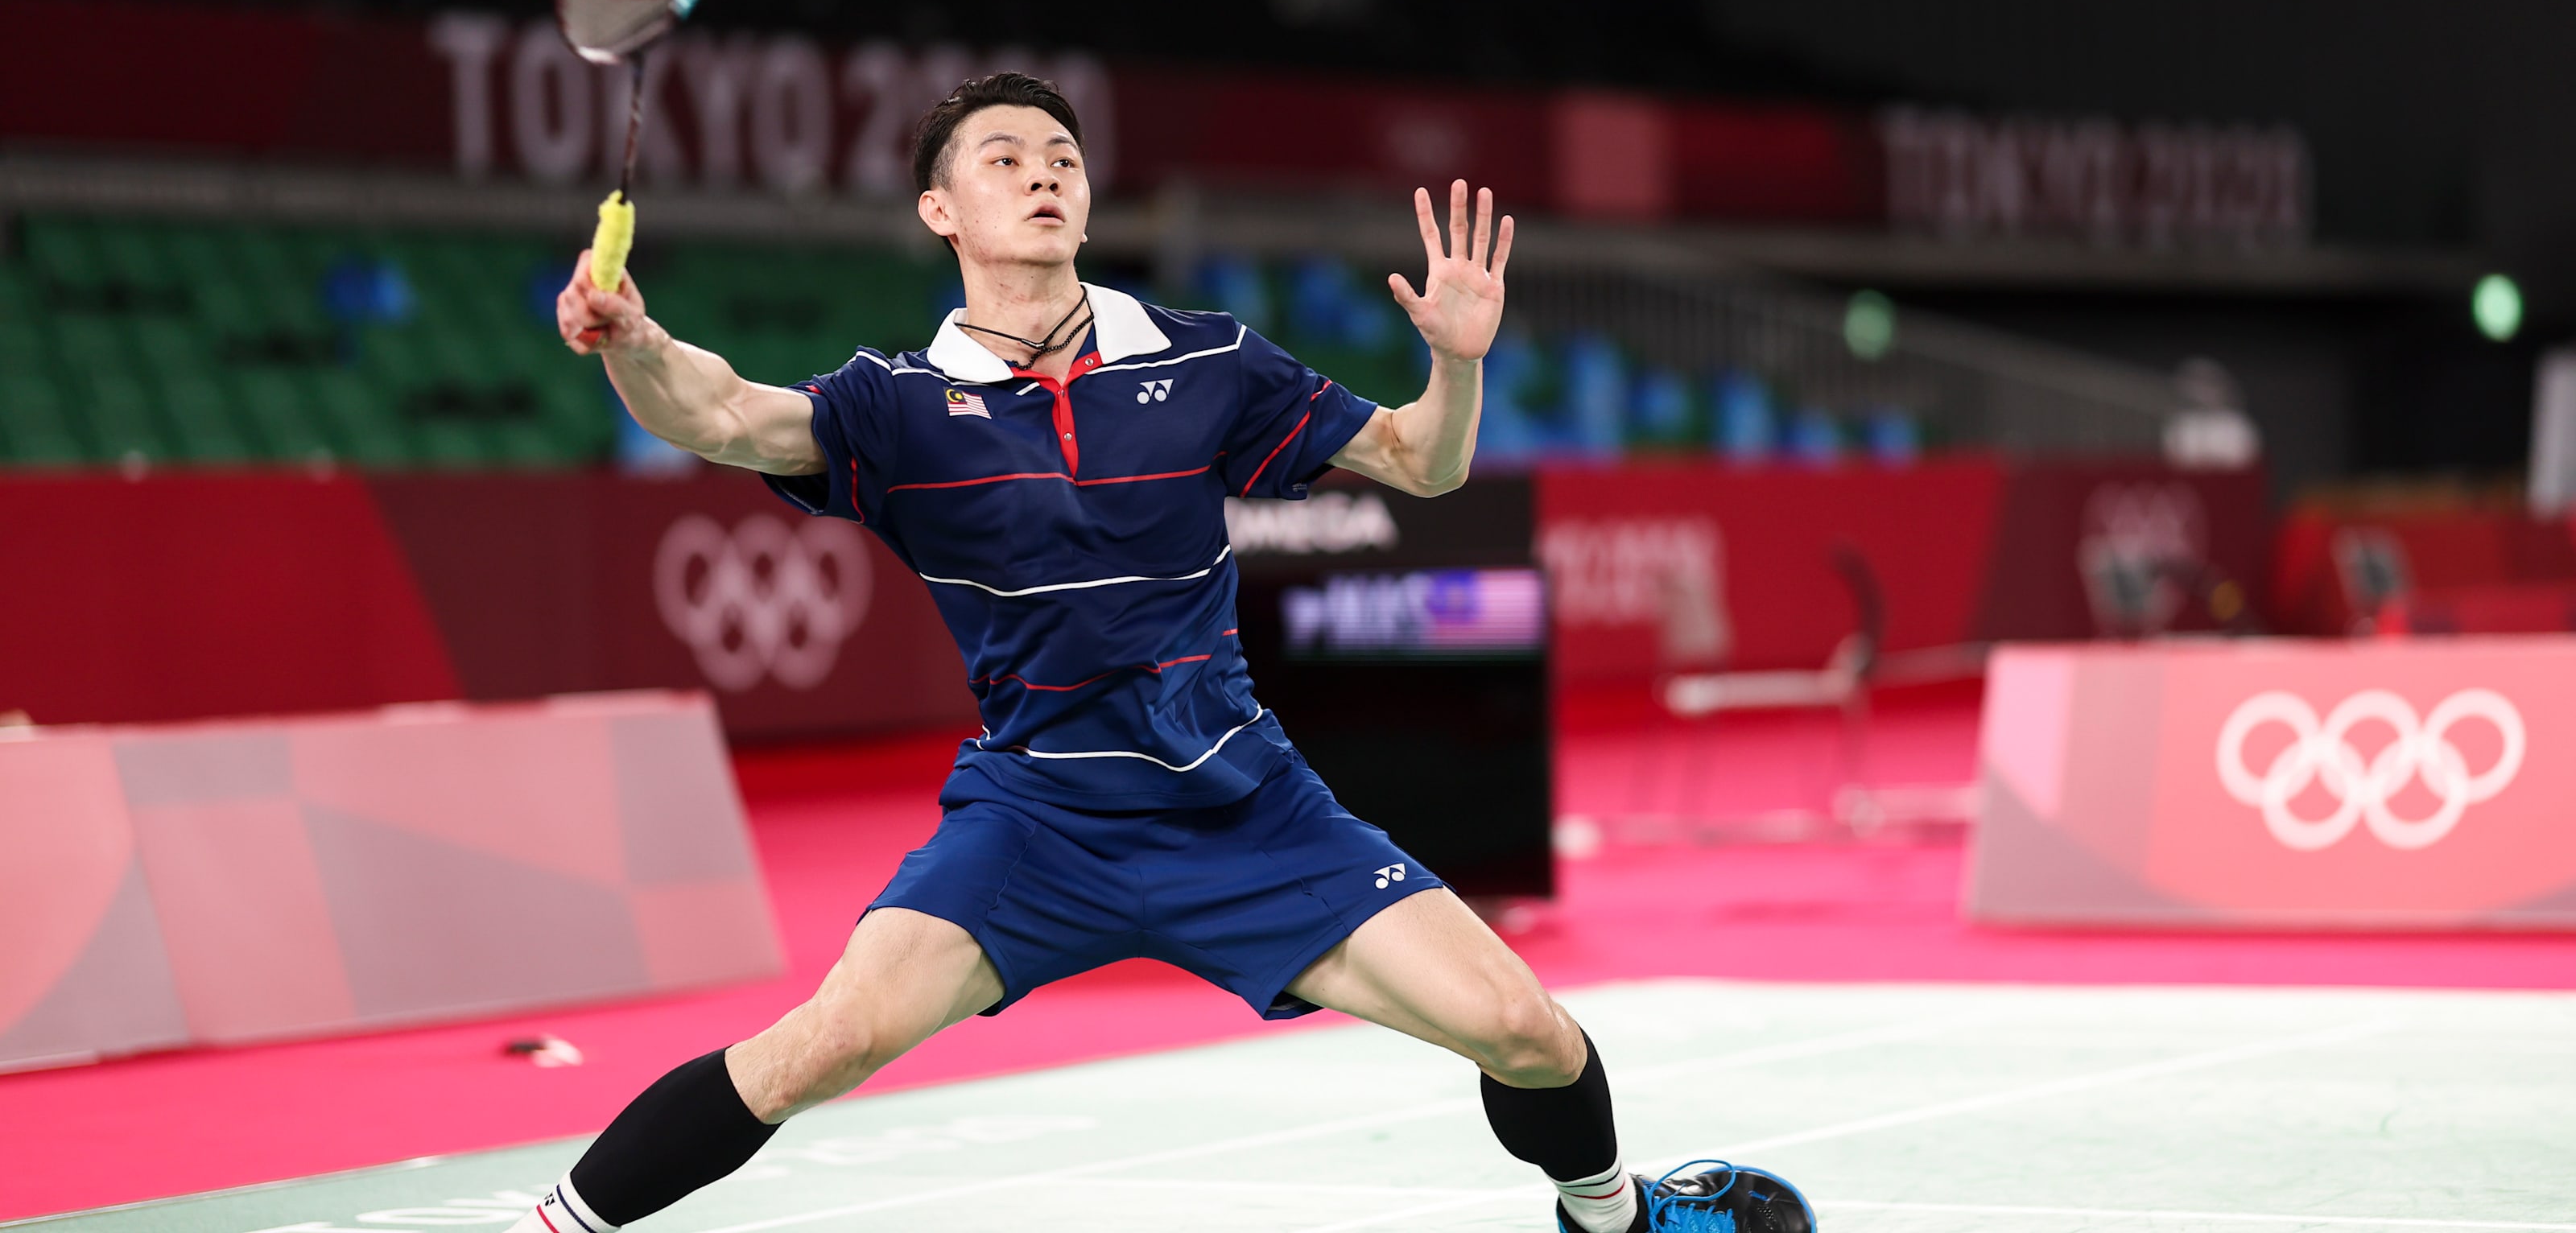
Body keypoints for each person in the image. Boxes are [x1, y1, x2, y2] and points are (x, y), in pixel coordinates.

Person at [519, 72, 1809, 1233]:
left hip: (1243, 805)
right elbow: (728, 414)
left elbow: (1426, 461)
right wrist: (633, 342)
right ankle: (555, 1228)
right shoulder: (897, 404)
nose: (1042, 174)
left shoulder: (1205, 361)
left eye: (1063, 160)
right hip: (1038, 817)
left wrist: (1454, 366)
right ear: (939, 213)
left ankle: (1619, 1217)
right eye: (1005, 158)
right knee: (821, 1046)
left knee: (1528, 1033)